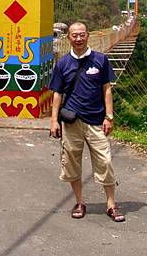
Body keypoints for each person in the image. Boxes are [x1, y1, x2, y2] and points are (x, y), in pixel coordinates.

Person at [49, 22, 125, 222]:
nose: (78, 38)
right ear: (69, 38)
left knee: (105, 162)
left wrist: (109, 116)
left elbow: (106, 89)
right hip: (71, 122)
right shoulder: (62, 64)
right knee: (71, 164)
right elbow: (57, 93)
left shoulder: (100, 60)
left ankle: (111, 204)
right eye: (74, 35)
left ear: (88, 36)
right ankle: (80, 202)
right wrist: (53, 121)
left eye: (82, 35)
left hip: (96, 121)